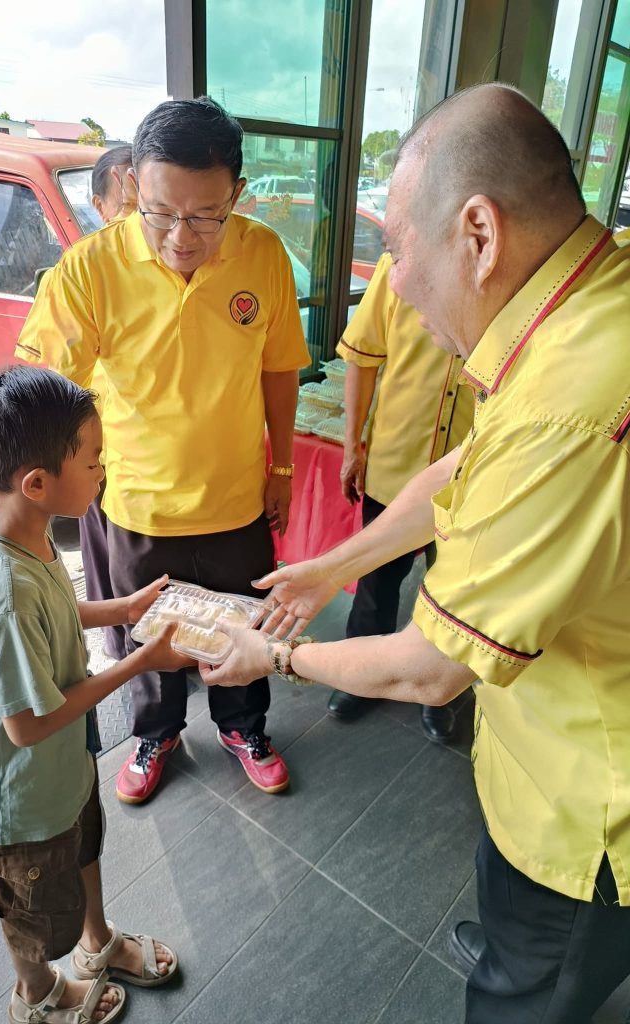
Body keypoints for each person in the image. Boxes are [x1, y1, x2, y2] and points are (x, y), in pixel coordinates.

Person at [199, 84, 630, 1021]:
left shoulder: (568, 401)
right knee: (510, 911)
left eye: (398, 248)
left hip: (590, 804)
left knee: (528, 990)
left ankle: (535, 973)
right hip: (545, 753)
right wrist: (333, 567)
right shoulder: (589, 304)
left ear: (479, 232)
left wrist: (274, 654)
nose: (390, 281)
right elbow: (461, 472)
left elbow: (434, 669)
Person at [15, 96, 310, 804]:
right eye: (158, 211)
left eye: (205, 215)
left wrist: (281, 465)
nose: (180, 235)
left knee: (243, 621)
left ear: (236, 194)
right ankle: (157, 731)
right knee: (148, 637)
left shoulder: (263, 254)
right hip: (137, 502)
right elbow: (39, 391)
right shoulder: (90, 271)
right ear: (130, 190)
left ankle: (244, 726)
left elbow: (278, 366)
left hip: (236, 494)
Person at [0, 366, 185, 1024]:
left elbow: (60, 610)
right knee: (32, 912)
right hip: (22, 794)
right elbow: (25, 724)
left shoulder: (27, 534)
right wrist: (140, 662)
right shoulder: (1, 589)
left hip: (64, 766)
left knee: (84, 848)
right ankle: (38, 994)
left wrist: (124, 610)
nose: (101, 470)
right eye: (93, 460)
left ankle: (97, 943)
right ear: (37, 482)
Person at [327, 250, 473, 742]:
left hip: (475, 474)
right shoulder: (401, 263)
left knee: (456, 590)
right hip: (396, 464)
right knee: (376, 580)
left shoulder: (515, 269)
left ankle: (443, 689)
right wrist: (352, 446)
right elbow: (362, 359)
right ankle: (361, 676)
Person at [80, 146, 138, 660]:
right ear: (99, 206)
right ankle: (124, 648)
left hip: (150, 456)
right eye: (126, 208)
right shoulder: (88, 267)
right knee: (108, 556)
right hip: (102, 444)